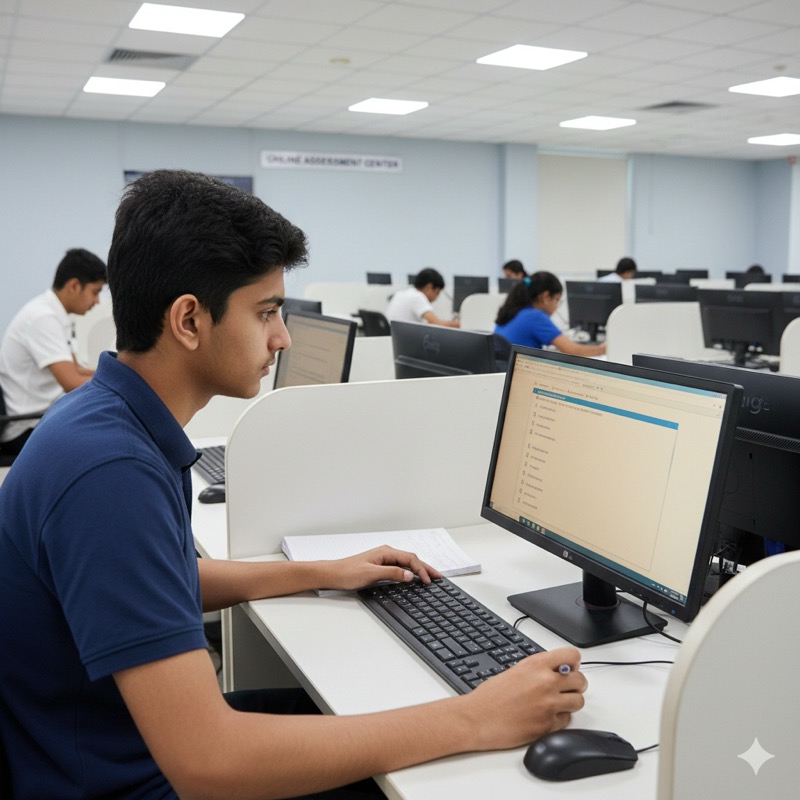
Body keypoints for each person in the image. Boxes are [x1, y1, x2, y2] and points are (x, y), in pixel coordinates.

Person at [0, 170, 587, 800]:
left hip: (107, 744)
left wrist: (320, 572)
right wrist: (476, 718)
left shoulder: (103, 415)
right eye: (267, 312)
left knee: (356, 706)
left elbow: (154, 580)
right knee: (456, 777)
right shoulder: (110, 471)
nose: (281, 337)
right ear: (190, 320)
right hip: (122, 778)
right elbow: (209, 761)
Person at [0, 247, 106, 456]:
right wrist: (120, 382)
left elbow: (75, 369)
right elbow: (71, 382)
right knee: (103, 443)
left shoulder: (56, 315)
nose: (97, 301)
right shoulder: (42, 318)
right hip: (24, 428)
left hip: (41, 418)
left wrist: (118, 373)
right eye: (95, 292)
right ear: (74, 286)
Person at [494, 271, 606, 356]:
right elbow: (573, 350)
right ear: (545, 296)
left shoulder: (514, 311)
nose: (556, 305)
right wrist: (602, 348)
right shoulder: (535, 316)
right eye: (557, 300)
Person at [386, 267, 460, 327]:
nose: (436, 297)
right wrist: (460, 323)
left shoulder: (400, 294)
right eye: (437, 292)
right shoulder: (417, 297)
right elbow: (437, 324)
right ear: (429, 287)